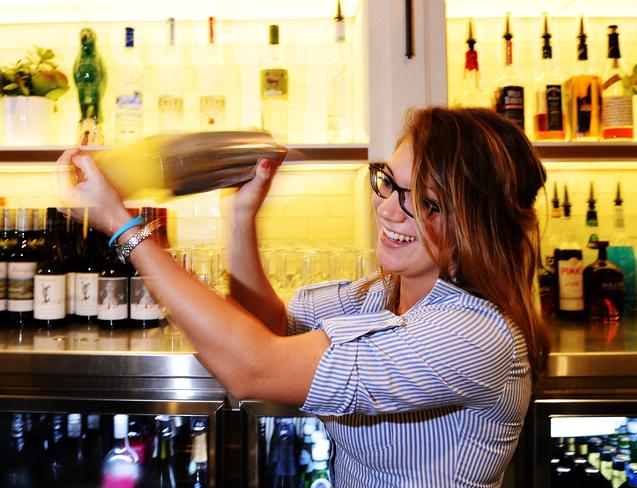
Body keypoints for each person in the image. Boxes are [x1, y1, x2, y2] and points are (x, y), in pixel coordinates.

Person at [57, 106, 549, 487]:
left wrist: (127, 230)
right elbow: (269, 331)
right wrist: (242, 215)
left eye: (426, 202)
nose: (389, 211)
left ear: (482, 221)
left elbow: (255, 368)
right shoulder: (379, 296)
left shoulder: (472, 334)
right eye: (389, 185)